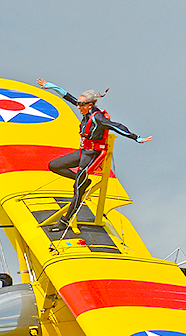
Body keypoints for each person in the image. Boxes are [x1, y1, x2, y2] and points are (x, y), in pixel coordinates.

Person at [37, 78, 152, 231]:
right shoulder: (85, 109)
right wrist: (49, 86)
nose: (78, 107)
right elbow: (66, 95)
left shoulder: (97, 118)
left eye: (80, 105)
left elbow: (116, 126)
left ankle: (64, 222)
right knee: (54, 165)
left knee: (77, 190)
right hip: (83, 152)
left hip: (92, 156)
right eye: (77, 104)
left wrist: (136, 138)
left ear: (89, 105)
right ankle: (82, 181)